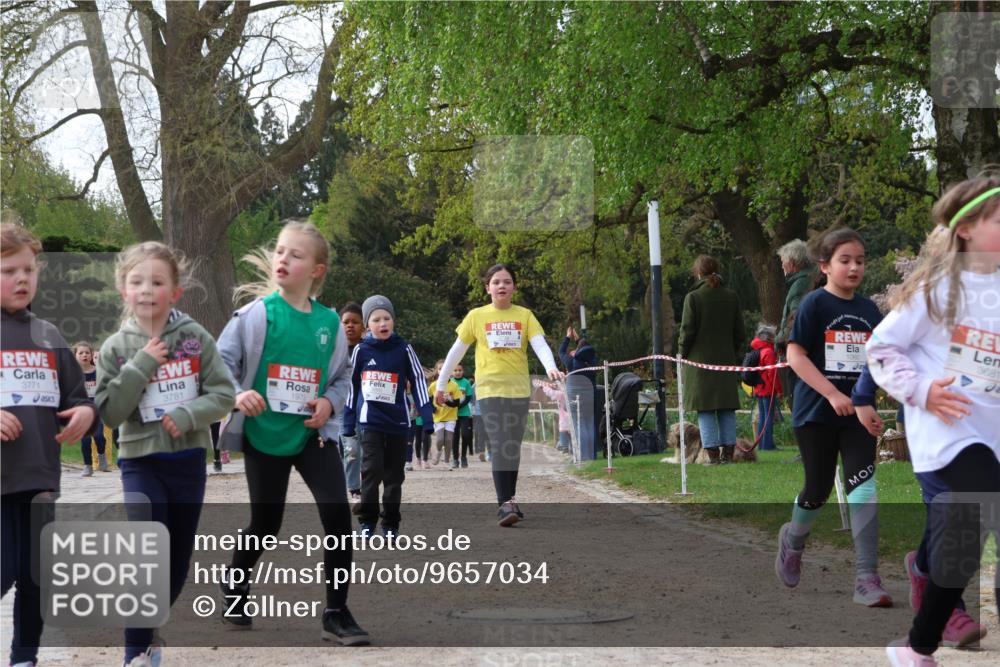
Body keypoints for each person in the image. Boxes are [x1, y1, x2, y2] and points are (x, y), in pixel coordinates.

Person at [866, 176, 1000, 665]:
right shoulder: (938, 289)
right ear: (965, 229)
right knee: (980, 512)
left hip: (994, 431)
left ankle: (915, 647)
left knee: (963, 547)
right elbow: (881, 347)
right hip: (948, 434)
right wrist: (921, 390)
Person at [217, 220, 369, 645]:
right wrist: (237, 394)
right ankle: (235, 584)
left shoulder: (330, 325)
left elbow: (340, 378)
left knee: (338, 516)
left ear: (317, 270)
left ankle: (336, 613)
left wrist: (329, 403)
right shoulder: (254, 317)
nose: (283, 259)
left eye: (295, 254)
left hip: (311, 435)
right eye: (280, 251)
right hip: (264, 435)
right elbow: (217, 367)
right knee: (266, 524)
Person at [94, 241, 236, 667]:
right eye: (137, 282)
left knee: (174, 568)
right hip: (140, 463)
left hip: (187, 464)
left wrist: (191, 413)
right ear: (124, 290)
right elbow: (111, 411)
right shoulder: (115, 349)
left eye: (157, 282)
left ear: (175, 291)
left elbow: (224, 393)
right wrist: (140, 365)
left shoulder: (193, 337)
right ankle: (134, 654)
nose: (146, 290)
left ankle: (151, 629)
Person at [774, 227, 892, 607]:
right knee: (818, 490)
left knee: (865, 488)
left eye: (859, 261)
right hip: (815, 413)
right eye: (845, 261)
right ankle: (793, 540)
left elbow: (876, 363)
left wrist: (867, 401)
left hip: (857, 416)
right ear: (824, 266)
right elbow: (795, 357)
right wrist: (832, 394)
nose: (854, 267)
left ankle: (866, 578)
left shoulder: (870, 311)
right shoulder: (813, 305)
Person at [1, 223, 97, 667]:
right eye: (9, 270)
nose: (22, 279)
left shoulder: (50, 335)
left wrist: (84, 414)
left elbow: (77, 398)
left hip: (40, 476)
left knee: (35, 577)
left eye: (29, 270)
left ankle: (25, 658)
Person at [436, 263, 564, 526]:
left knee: (511, 446)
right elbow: (456, 351)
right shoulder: (476, 316)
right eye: (496, 282)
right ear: (488, 288)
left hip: (518, 389)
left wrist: (551, 367)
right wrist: (441, 383)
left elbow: (539, 343)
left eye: (506, 282)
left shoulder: (525, 315)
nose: (501, 286)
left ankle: (510, 499)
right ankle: (504, 504)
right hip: (489, 389)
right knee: (500, 441)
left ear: (514, 288)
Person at [342, 295, 433, 538]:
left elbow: (419, 381)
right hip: (370, 422)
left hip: (398, 422)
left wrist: (427, 415)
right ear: (367, 325)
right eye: (376, 319)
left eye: (387, 318)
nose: (382, 323)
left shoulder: (404, 349)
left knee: (394, 476)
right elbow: (351, 388)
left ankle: (391, 525)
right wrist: (347, 422)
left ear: (393, 321)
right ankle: (367, 522)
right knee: (371, 471)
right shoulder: (361, 350)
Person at [678, 255, 745, 464]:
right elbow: (739, 333)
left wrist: (682, 353)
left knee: (705, 409)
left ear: (698, 273)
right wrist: (730, 352)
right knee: (726, 407)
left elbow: (687, 332)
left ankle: (713, 457)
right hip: (725, 360)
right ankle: (728, 454)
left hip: (700, 363)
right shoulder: (732, 296)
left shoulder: (694, 298)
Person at [777, 239, 814, 407]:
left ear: (791, 263)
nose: (782, 266)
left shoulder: (800, 285)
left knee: (797, 402)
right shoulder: (814, 278)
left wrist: (780, 340)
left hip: (799, 350)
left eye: (783, 262)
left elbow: (795, 319)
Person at [337, 302, 364, 511]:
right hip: (338, 408)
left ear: (364, 326)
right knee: (347, 449)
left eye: (355, 322)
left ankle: (358, 490)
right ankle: (353, 489)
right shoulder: (332, 350)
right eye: (346, 322)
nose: (350, 326)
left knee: (357, 449)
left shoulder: (368, 349)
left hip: (364, 408)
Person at [559, 326, 597, 460]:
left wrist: (568, 337)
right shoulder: (592, 362)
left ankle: (581, 456)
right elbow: (586, 348)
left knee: (578, 426)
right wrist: (578, 338)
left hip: (575, 398)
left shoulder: (571, 362)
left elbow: (561, 351)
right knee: (589, 425)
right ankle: (591, 455)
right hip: (590, 398)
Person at [73, 341, 111, 475]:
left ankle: (102, 457)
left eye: (87, 353)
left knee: (99, 436)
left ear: (91, 355)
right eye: (81, 353)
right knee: (85, 439)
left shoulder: (99, 372)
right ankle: (87, 465)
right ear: (75, 356)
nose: (84, 355)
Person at [748, 325, 782, 451]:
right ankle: (767, 445)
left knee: (762, 417)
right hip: (768, 389)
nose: (774, 338)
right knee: (768, 418)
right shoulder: (768, 351)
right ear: (768, 338)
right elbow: (772, 374)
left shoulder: (757, 350)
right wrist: (778, 389)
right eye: (773, 336)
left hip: (759, 388)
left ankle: (762, 445)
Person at [428, 360, 462, 466]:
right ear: (437, 371)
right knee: (440, 439)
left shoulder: (454, 386)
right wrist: (433, 408)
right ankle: (438, 452)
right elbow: (428, 399)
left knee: (448, 439)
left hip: (451, 416)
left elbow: (456, 403)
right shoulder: (434, 385)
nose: (442, 371)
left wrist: (448, 401)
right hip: (438, 416)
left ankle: (447, 461)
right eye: (440, 369)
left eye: (445, 368)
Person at [451, 363, 475, 468]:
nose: (457, 372)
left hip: (464, 413)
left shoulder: (466, 383)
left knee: (466, 435)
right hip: (452, 414)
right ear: (452, 372)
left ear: (463, 371)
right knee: (455, 437)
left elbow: (469, 397)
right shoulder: (450, 382)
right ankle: (455, 459)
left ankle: (464, 456)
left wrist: (460, 406)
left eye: (460, 370)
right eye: (455, 370)